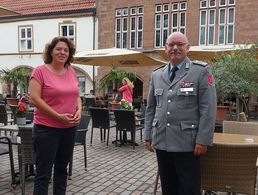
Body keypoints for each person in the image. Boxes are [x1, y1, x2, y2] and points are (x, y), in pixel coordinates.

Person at [144, 32, 216, 195]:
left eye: (180, 44)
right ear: (165, 48)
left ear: (188, 48)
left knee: (189, 189)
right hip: (162, 141)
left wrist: (203, 139)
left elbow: (208, 108)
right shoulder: (157, 74)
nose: (175, 47)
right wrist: (148, 135)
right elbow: (151, 108)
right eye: (171, 44)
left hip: (188, 144)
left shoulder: (200, 72)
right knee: (168, 187)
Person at [29, 37, 82, 195]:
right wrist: (57, 116)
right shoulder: (40, 71)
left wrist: (79, 108)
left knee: (61, 171)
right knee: (43, 174)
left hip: (69, 129)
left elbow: (76, 95)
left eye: (66, 50)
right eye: (58, 49)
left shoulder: (71, 71)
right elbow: (35, 98)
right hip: (46, 129)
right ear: (51, 51)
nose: (62, 52)